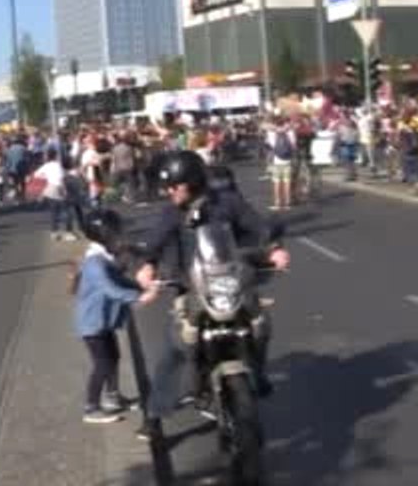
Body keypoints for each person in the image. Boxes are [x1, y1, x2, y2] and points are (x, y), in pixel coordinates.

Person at [135, 153, 290, 432]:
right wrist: (146, 265)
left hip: (232, 282)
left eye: (174, 185)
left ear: (192, 183)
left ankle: (258, 371)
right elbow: (154, 241)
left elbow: (257, 225)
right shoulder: (172, 213)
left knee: (261, 324)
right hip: (191, 285)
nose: (168, 191)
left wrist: (274, 248)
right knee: (176, 347)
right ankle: (154, 415)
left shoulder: (228, 203)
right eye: (167, 186)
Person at [72, 209, 158, 424]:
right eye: (116, 232)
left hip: (102, 322)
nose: (120, 236)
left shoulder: (104, 258)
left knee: (114, 357)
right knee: (102, 363)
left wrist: (139, 286)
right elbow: (111, 289)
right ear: (105, 235)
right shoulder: (95, 263)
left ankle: (113, 398)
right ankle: (91, 408)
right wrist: (138, 298)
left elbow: (120, 281)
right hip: (92, 325)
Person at [33, 148, 75, 241]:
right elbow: (61, 179)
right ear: (56, 156)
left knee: (54, 212)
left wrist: (46, 177)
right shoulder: (58, 165)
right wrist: (65, 190)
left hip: (50, 189)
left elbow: (36, 174)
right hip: (59, 188)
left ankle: (54, 232)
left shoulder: (46, 165)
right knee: (67, 211)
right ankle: (68, 233)